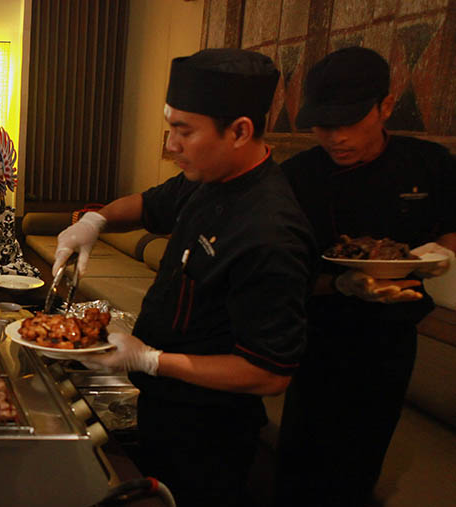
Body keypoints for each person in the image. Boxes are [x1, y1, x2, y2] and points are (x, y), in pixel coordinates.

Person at [57, 49, 316, 506]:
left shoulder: (269, 230)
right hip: (164, 412)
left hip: (210, 436)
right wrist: (93, 222)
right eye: (169, 127)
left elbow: (269, 373)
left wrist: (150, 359)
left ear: (239, 131)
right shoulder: (208, 175)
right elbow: (148, 205)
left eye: (184, 131)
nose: (171, 145)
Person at [275, 47, 456, 507]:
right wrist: (339, 283)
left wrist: (438, 255)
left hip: (390, 340)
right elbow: (280, 270)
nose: (334, 137)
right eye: (322, 124)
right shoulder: (296, 177)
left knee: (358, 465)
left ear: (386, 107)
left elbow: (452, 226)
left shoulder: (429, 165)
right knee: (298, 461)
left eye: (349, 122)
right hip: (315, 336)